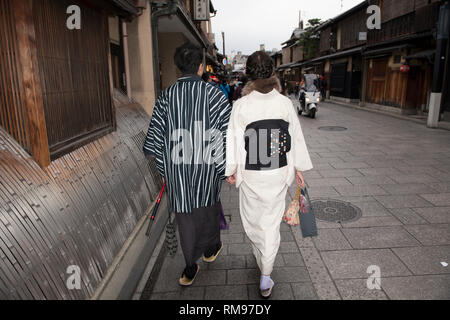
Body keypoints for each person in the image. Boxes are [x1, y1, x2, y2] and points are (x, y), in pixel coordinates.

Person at [225, 51, 313, 298]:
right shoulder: (284, 103)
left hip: (252, 174)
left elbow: (233, 141)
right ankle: (266, 268)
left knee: (253, 221)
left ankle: (264, 268)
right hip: (278, 170)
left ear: (249, 75)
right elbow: (295, 138)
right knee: (271, 224)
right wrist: (297, 168)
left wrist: (231, 170)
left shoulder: (241, 105)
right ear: (272, 73)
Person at [143, 42, 232, 286]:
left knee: (185, 219)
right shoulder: (215, 95)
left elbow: (154, 140)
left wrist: (165, 170)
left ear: (178, 68)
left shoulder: (166, 96)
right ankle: (211, 248)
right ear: (202, 67)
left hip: (178, 171)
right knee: (209, 209)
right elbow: (225, 135)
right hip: (207, 168)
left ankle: (190, 267)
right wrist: (225, 169)